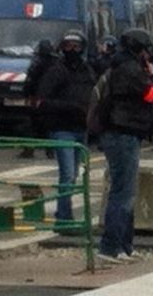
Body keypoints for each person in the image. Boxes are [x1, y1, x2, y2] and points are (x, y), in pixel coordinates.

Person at [97, 29, 153, 264]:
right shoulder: (130, 70)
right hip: (122, 132)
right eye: (145, 50)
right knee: (122, 193)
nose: (148, 54)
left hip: (122, 132)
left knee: (127, 192)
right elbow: (152, 95)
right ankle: (110, 247)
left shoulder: (119, 66)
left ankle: (124, 246)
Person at [35, 30, 96, 232]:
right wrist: (70, 107)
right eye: (68, 46)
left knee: (74, 175)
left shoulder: (87, 70)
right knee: (67, 175)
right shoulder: (56, 71)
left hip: (81, 128)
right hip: (62, 128)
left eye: (76, 46)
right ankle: (64, 220)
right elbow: (43, 101)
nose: (72, 50)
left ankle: (64, 214)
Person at [21, 39, 59, 159]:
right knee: (49, 125)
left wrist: (27, 94)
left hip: (37, 98)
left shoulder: (36, 63)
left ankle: (29, 150)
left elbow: (30, 81)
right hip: (52, 98)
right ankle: (50, 150)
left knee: (30, 125)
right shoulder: (57, 63)